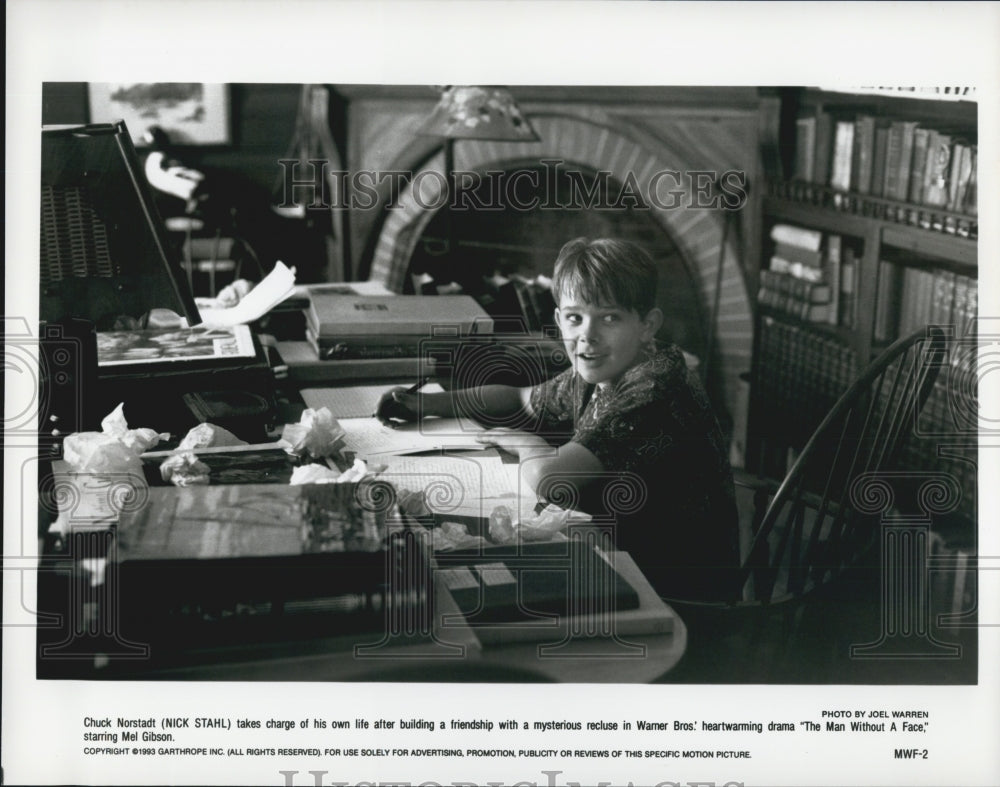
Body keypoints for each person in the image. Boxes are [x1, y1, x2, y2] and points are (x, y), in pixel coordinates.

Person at [376, 238, 740, 602]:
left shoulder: (654, 388)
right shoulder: (603, 363)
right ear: (558, 321)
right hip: (616, 549)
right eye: (575, 318)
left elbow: (550, 480)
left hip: (678, 593)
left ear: (647, 325)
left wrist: (527, 443)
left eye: (609, 317)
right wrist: (429, 403)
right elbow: (518, 397)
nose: (587, 334)